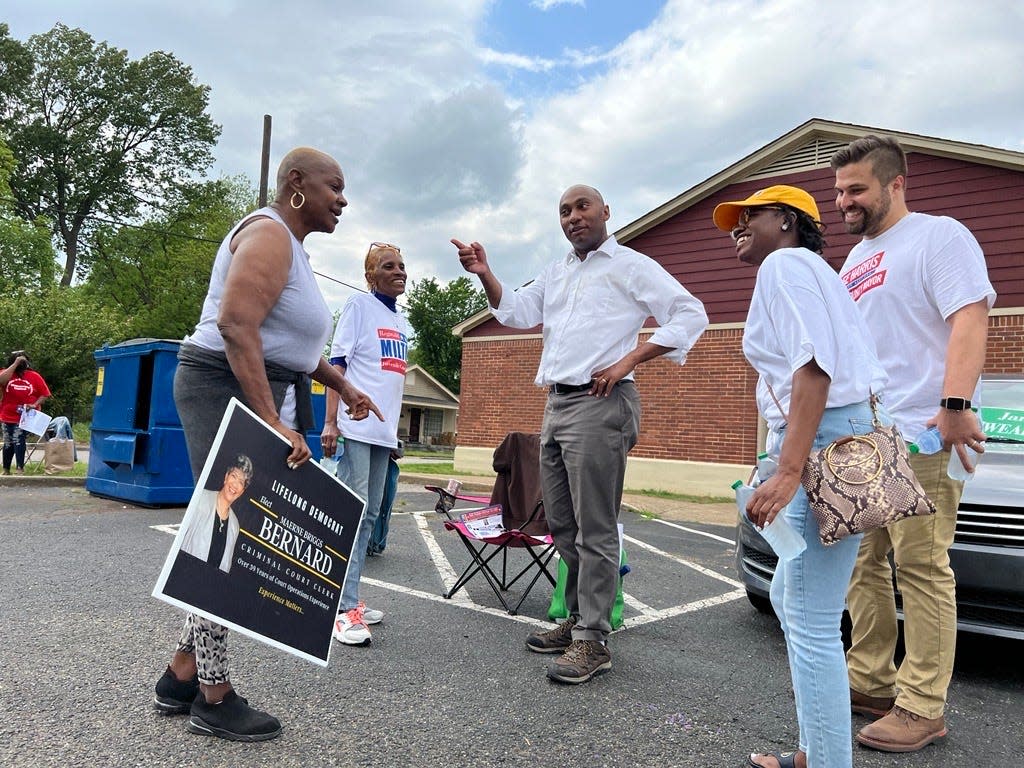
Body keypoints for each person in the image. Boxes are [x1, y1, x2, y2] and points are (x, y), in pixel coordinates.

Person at [151, 147, 382, 742]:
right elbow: (235, 325)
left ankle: (181, 673)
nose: (343, 199)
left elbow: (294, 349)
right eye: (336, 186)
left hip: (253, 387)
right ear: (296, 184)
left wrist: (344, 386)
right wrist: (272, 419)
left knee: (230, 524)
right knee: (221, 527)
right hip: (217, 381)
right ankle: (213, 695)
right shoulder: (270, 234)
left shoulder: (295, 252)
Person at [452, 184, 708, 684]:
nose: (573, 216)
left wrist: (632, 357)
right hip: (557, 402)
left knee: (596, 527)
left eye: (582, 206)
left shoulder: (630, 265)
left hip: (601, 402)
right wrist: (485, 274)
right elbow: (518, 312)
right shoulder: (560, 270)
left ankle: (594, 639)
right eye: (564, 210)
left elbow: (690, 312)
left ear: (606, 212)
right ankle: (574, 621)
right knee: (563, 525)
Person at [713, 186, 889, 768]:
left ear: (787, 221)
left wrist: (789, 470)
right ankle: (818, 749)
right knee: (793, 597)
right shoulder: (814, 270)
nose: (736, 226)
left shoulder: (785, 265)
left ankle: (828, 760)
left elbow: (813, 365)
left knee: (811, 618)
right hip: (838, 436)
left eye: (750, 217)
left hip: (824, 445)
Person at [832, 135, 995, 753]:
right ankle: (870, 681)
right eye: (840, 190)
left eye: (857, 189)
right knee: (865, 567)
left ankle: (924, 705)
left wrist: (954, 405)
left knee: (922, 568)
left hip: (921, 434)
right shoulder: (854, 261)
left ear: (895, 183)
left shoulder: (939, 236)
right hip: (865, 436)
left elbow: (971, 316)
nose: (844, 201)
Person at [321, 242, 408, 645]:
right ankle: (342, 607)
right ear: (371, 276)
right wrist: (329, 423)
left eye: (402, 266)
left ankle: (349, 594)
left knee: (370, 515)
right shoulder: (359, 308)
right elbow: (336, 368)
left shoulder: (400, 321)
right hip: (355, 428)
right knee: (354, 514)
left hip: (381, 434)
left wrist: (392, 435)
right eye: (388, 266)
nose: (399, 271)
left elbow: (390, 383)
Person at [179, 454, 254, 573]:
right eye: (233, 476)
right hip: (185, 575)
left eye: (241, 482)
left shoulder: (234, 525)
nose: (235, 485)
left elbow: (226, 566)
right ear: (226, 477)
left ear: (242, 491)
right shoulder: (200, 498)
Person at [1, 353, 51, 475]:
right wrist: (15, 363)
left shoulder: (34, 376)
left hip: (25, 415)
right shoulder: (6, 372)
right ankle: (6, 469)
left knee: (18, 439)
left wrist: (34, 404)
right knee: (8, 442)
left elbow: (45, 394)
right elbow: (1, 381)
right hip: (7, 414)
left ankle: (20, 468)